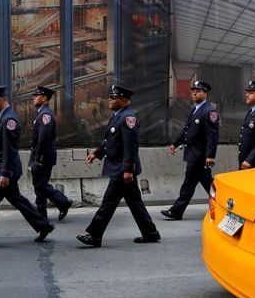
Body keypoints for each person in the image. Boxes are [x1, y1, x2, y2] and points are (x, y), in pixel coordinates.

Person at [0, 86, 55, 249]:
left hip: (2, 169)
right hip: (3, 168)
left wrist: (5, 174)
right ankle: (44, 225)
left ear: (1, 99)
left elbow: (10, 149)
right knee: (17, 199)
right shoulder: (4, 117)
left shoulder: (9, 120)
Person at [76, 85, 161, 248]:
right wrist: (97, 153)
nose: (109, 100)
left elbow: (131, 147)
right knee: (135, 202)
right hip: (119, 167)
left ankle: (94, 235)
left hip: (121, 169)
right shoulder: (118, 116)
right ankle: (150, 233)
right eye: (109, 97)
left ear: (124, 100)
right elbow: (110, 140)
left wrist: (128, 170)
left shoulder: (128, 118)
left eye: (113, 98)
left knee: (108, 202)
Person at [161, 81, 219, 220]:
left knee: (189, 184)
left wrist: (210, 156)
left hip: (200, 156)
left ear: (205, 93)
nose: (194, 93)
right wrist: (175, 143)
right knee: (205, 184)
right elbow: (187, 131)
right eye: (193, 91)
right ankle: (225, 205)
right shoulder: (194, 109)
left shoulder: (209, 111)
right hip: (193, 153)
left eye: (198, 91)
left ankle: (176, 211)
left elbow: (213, 136)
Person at [28, 85, 73, 221]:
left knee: (39, 186)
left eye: (36, 95)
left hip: (43, 157)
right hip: (40, 156)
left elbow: (44, 137)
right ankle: (58, 205)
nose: (33, 98)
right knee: (39, 186)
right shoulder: (42, 114)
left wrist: (38, 158)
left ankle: (46, 214)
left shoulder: (45, 115)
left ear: (45, 98)